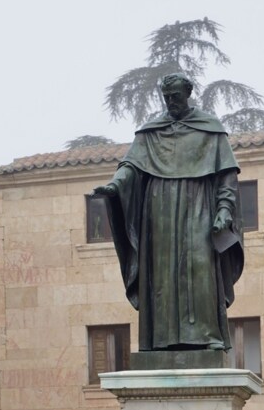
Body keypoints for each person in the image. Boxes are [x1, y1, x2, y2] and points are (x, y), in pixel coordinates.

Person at [95, 72, 244, 352]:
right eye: (166, 97)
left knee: (200, 267)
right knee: (162, 274)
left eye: (175, 96)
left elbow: (227, 176)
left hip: (199, 205)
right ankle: (159, 339)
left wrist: (224, 209)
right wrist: (115, 186)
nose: (171, 101)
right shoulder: (151, 131)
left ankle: (207, 334)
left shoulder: (210, 129)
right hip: (159, 209)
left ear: (188, 93)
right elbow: (131, 167)